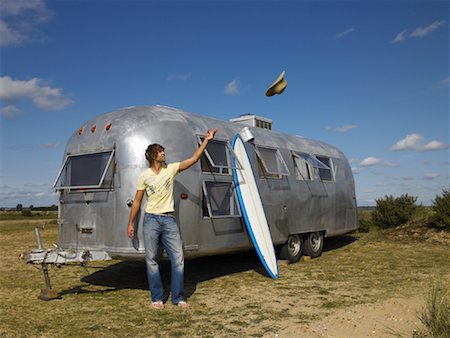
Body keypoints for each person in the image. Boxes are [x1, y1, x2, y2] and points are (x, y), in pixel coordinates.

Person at [127, 128, 218, 310]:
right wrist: (130, 223)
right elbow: (137, 201)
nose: (164, 154)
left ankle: (178, 297)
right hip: (151, 220)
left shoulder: (171, 170)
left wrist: (206, 141)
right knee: (151, 260)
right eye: (161, 152)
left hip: (169, 220)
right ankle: (157, 298)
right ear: (154, 155)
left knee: (178, 258)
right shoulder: (144, 176)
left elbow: (193, 160)